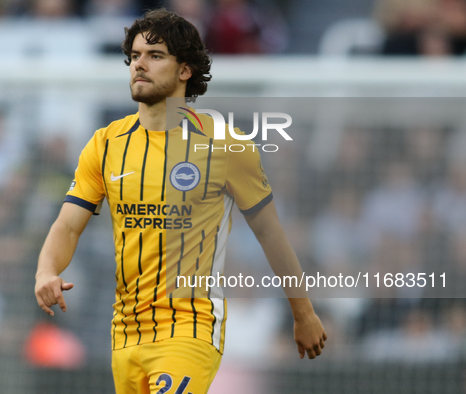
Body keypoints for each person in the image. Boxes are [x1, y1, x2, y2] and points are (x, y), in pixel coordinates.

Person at [34, 8, 327, 394]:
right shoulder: (106, 144)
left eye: (155, 56)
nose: (140, 64)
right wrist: (46, 271)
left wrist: (302, 312)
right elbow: (68, 225)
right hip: (125, 332)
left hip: (191, 326)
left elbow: (270, 233)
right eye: (135, 56)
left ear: (185, 70)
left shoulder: (225, 145)